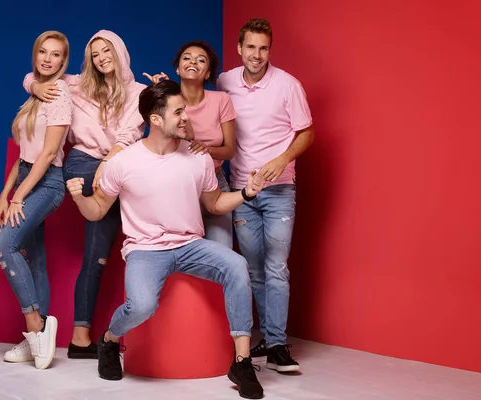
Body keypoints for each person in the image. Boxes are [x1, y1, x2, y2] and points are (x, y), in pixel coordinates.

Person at [66, 80, 265, 399]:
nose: (186, 116)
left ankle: (241, 362)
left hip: (190, 246)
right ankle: (110, 340)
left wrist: (245, 193)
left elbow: (214, 203)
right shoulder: (123, 162)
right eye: (179, 111)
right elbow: (97, 210)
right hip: (145, 250)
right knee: (142, 305)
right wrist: (80, 197)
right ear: (156, 120)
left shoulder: (198, 157)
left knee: (236, 266)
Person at [21, 30, 146, 359]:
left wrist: (109, 165)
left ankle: (81, 336)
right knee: (115, 204)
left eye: (108, 50)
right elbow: (35, 75)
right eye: (95, 53)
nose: (102, 57)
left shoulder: (139, 92)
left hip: (115, 166)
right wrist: (34, 86)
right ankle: (84, 335)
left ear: (120, 52)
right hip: (81, 164)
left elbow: (130, 134)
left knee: (97, 252)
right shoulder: (77, 85)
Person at [218, 18, 315, 372]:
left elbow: (306, 133)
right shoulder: (225, 81)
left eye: (263, 48)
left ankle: (277, 344)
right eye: (251, 47)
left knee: (276, 268)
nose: (257, 55)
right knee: (254, 271)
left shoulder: (288, 85)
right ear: (240, 48)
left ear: (269, 50)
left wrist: (282, 159)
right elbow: (206, 113)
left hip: (278, 192)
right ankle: (268, 338)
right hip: (241, 190)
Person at [0, 30, 72, 369]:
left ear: (63, 61)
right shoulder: (35, 94)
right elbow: (24, 154)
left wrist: (18, 198)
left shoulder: (61, 93)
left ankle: (35, 326)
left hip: (49, 182)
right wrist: (4, 193)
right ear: (36, 54)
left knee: (4, 244)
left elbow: (49, 152)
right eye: (43, 51)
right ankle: (35, 339)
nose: (48, 59)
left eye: (56, 54)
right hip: (26, 177)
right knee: (35, 258)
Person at [143, 40, 236, 248]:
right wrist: (160, 95)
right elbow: (158, 143)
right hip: (179, 184)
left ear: (207, 73)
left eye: (201, 59)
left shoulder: (222, 100)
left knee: (223, 253)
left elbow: (230, 150)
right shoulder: (167, 102)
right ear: (177, 68)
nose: (193, 61)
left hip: (214, 182)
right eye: (187, 58)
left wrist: (207, 149)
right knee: (182, 256)